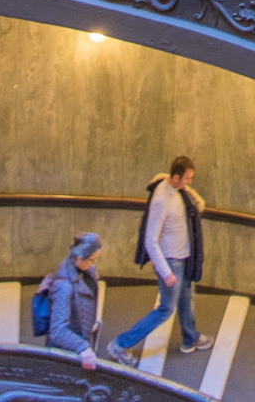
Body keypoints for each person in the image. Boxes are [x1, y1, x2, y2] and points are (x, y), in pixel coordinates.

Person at [106, 155, 213, 366]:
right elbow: (150, 240)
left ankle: (191, 337)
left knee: (186, 299)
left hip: (183, 259)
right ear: (175, 177)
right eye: (187, 179)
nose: (189, 183)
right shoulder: (161, 200)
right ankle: (119, 344)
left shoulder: (178, 192)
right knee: (165, 310)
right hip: (171, 262)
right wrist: (166, 272)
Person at [45, 231, 102, 369]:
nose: (93, 264)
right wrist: (83, 348)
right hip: (65, 358)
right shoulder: (63, 286)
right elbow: (58, 331)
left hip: (79, 341)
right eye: (92, 260)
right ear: (79, 259)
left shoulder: (83, 270)